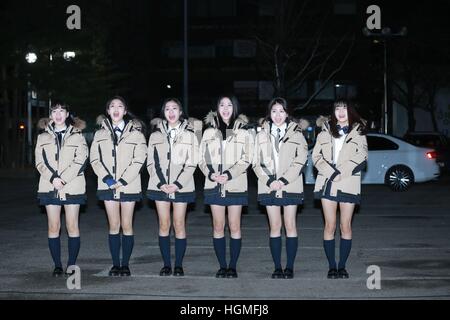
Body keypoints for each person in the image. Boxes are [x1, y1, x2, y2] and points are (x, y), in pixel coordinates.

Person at [90, 96, 147, 277]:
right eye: (112, 106)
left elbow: (139, 159)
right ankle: (116, 264)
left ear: (125, 110)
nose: (116, 109)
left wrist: (122, 181)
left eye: (120, 106)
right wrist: (108, 179)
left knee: (127, 225)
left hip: (128, 185)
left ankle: (125, 264)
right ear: (107, 111)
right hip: (107, 185)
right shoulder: (99, 134)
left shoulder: (136, 134)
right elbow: (94, 159)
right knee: (114, 225)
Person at [199, 95, 253, 278]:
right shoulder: (208, 132)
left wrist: (229, 174)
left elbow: (247, 158)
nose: (225, 108)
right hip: (214, 184)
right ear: (216, 108)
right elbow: (201, 158)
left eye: (229, 105)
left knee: (235, 225)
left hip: (235, 184)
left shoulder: (243, 132)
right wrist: (210, 173)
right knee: (218, 225)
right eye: (221, 104)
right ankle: (222, 266)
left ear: (235, 108)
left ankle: (233, 266)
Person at [253, 97, 308, 279]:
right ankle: (277, 267)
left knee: (290, 224)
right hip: (268, 186)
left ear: (287, 113)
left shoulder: (297, 134)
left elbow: (301, 160)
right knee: (275, 226)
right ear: (269, 113)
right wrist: (270, 181)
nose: (278, 115)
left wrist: (283, 180)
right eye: (274, 111)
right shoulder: (260, 135)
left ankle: (290, 267)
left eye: (282, 111)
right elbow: (255, 162)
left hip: (290, 184)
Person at [312, 100, 368, 279]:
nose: (341, 111)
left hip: (348, 181)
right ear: (333, 112)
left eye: (344, 108)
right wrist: (331, 172)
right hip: (327, 181)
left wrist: (340, 173)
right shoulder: (325, 130)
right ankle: (331, 267)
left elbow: (362, 156)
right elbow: (316, 156)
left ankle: (342, 266)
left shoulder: (358, 131)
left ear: (350, 110)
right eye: (337, 108)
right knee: (330, 225)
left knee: (346, 226)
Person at [147, 98, 199, 277]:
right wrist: (161, 183)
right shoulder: (155, 135)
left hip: (181, 187)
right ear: (163, 112)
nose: (171, 112)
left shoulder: (190, 135)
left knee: (179, 224)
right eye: (167, 109)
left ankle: (178, 265)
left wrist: (177, 184)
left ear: (181, 112)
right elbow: (151, 162)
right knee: (163, 224)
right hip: (159, 186)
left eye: (174, 108)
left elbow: (192, 162)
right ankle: (166, 264)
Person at [35, 101, 88, 277]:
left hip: (72, 185)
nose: (58, 114)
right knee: (53, 226)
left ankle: (71, 265)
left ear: (67, 115)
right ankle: (57, 265)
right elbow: (39, 162)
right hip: (49, 185)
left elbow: (81, 160)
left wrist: (63, 179)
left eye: (61, 111)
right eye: (54, 111)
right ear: (50, 115)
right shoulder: (42, 137)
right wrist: (53, 178)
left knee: (72, 226)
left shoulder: (78, 136)